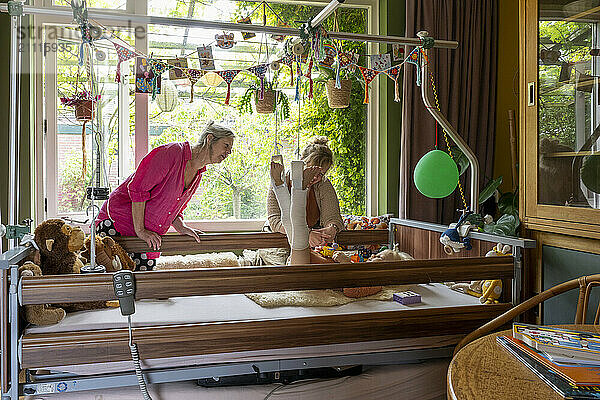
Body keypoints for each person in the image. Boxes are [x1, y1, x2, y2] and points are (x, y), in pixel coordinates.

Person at [96, 121, 235, 270]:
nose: (229, 152)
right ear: (209, 139)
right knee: (116, 286)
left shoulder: (198, 174)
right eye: (226, 145)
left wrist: (181, 227)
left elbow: (174, 208)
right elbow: (137, 189)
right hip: (118, 224)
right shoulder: (171, 153)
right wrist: (141, 231)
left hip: (145, 237)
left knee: (142, 288)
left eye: (231, 149)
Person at [267, 136, 344, 264]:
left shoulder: (323, 185)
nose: (316, 177)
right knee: (289, 267)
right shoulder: (282, 180)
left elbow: (333, 217)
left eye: (321, 174)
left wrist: (331, 229)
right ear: (302, 162)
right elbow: (274, 220)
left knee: (322, 266)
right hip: (282, 237)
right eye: (313, 170)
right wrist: (306, 234)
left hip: (312, 239)